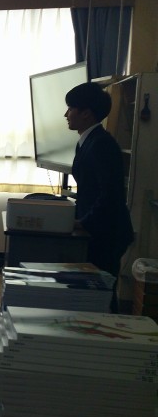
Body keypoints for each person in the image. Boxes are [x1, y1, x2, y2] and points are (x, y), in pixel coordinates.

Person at [67, 82, 134, 313]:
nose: (66, 114)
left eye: (71, 109)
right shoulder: (87, 140)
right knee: (95, 294)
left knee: (101, 295)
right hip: (97, 229)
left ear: (86, 113)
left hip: (108, 233)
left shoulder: (102, 144)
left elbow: (110, 195)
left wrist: (83, 222)